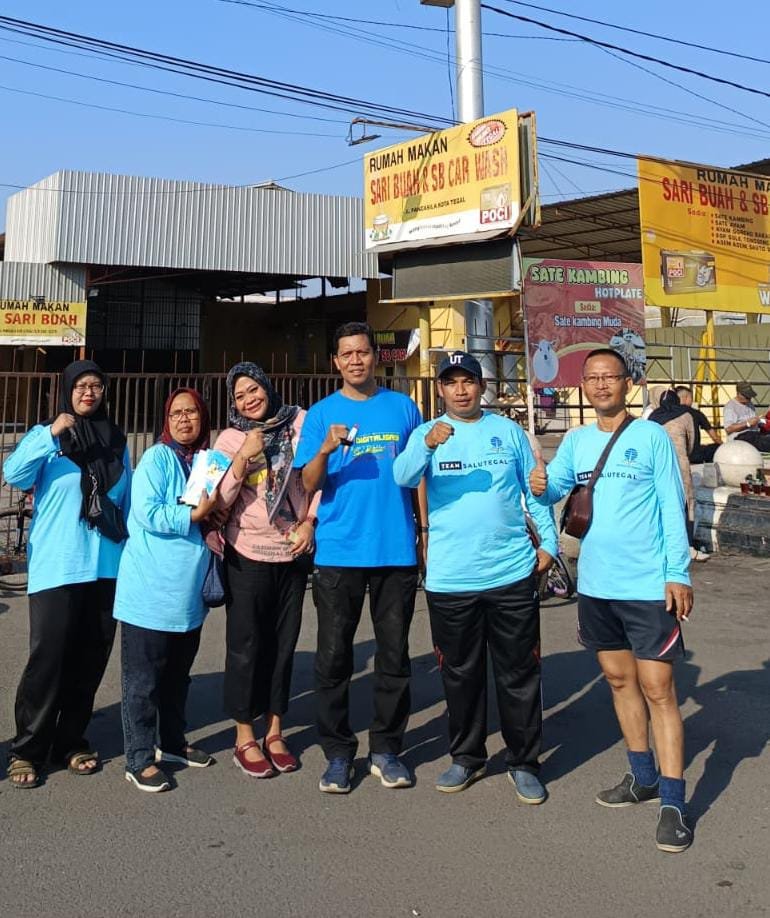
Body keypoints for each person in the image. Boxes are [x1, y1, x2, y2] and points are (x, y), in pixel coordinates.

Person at [529, 348, 695, 853]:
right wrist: (539, 482)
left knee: (659, 689)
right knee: (620, 681)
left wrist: (677, 573)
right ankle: (641, 777)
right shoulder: (577, 443)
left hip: (647, 586)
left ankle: (673, 801)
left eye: (611, 377)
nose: (602, 385)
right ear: (584, 386)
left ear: (628, 383)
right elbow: (554, 491)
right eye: (593, 378)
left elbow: (672, 504)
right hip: (596, 585)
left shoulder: (651, 437)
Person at [393, 351, 558, 801]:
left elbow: (535, 488)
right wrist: (427, 446)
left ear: (481, 387)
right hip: (450, 578)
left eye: (469, 381)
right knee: (460, 674)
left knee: (519, 672)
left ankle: (524, 761)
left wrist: (549, 544)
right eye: (452, 382)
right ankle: (466, 757)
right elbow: (401, 476)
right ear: (441, 389)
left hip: (510, 573)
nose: (461, 389)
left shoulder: (507, 432)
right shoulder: (428, 432)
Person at [293, 321, 425, 794]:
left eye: (363, 352)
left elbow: (419, 474)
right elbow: (307, 484)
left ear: (375, 357)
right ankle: (337, 753)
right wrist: (325, 449)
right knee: (333, 657)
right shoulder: (320, 415)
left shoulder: (403, 407)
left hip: (395, 550)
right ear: (336, 361)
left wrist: (423, 532)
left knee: (394, 656)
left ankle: (387, 749)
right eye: (346, 353)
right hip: (339, 550)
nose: (355, 360)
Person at [3, 360, 131, 788]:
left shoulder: (116, 440)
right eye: (82, 386)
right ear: (67, 390)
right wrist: (50, 433)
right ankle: (28, 749)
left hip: (106, 566)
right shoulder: (50, 438)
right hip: (57, 566)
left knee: (89, 659)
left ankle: (71, 740)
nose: (89, 393)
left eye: (97, 385)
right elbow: (13, 473)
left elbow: (125, 500)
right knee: (48, 659)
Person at [212, 363, 317, 779]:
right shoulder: (230, 437)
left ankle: (275, 730)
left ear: (268, 387)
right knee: (245, 645)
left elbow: (316, 478)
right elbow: (218, 498)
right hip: (246, 552)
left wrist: (310, 522)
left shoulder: (299, 423)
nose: (249, 398)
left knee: (283, 644)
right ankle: (244, 736)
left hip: (290, 551)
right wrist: (242, 458)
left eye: (254, 388)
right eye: (240, 395)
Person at [115, 388, 218, 792]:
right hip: (149, 590)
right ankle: (138, 758)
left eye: (191, 411)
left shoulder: (208, 462)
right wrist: (197, 513)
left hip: (187, 591)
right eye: (176, 413)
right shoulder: (157, 458)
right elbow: (148, 512)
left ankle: (172, 743)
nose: (184, 419)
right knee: (142, 681)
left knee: (178, 677)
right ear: (166, 420)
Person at [649, 390, 708, 563]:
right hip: (680, 464)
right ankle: (688, 547)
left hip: (657, 465)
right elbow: (692, 443)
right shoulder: (686, 415)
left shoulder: (653, 417)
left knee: (660, 504)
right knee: (686, 504)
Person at [674, 386, 721, 464]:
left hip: (675, 454)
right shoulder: (696, 413)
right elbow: (714, 437)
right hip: (694, 455)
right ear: (687, 397)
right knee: (715, 448)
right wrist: (723, 446)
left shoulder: (667, 413)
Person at [722, 383, 770, 450]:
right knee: (765, 442)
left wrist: (761, 421)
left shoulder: (749, 404)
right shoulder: (730, 407)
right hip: (740, 437)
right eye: (747, 396)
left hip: (754, 435)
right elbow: (729, 429)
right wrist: (747, 424)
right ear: (738, 393)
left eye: (750, 396)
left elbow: (754, 421)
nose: (749, 398)